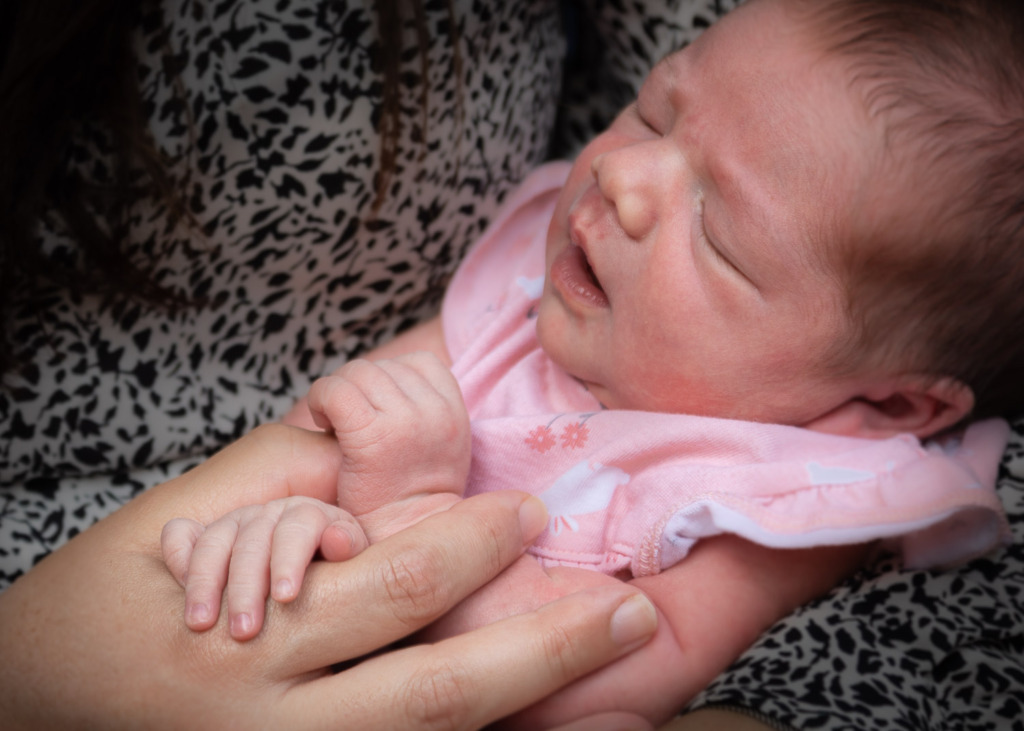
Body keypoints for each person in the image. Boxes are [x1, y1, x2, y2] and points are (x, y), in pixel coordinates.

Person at [165, 0, 1024, 726]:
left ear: (890, 405)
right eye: (653, 113)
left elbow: (603, 675)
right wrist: (273, 525)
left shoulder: (771, 494)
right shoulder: (525, 296)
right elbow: (308, 440)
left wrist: (414, 513)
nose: (623, 176)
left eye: (720, 236)